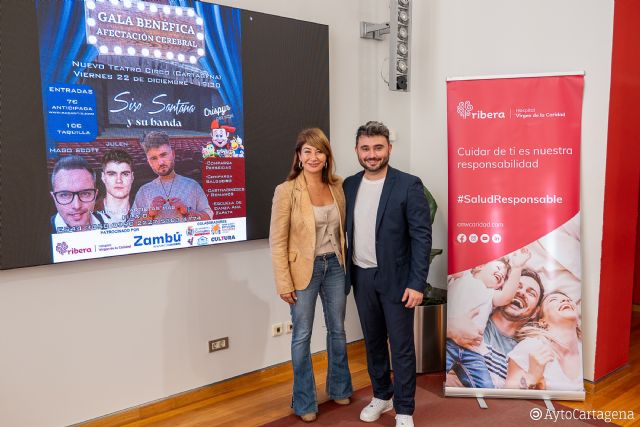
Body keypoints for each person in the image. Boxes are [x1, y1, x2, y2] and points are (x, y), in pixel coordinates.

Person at [343, 121, 431, 427]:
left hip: (397, 280)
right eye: (365, 148)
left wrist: (417, 283)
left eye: (378, 147)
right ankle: (382, 395)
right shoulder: (350, 185)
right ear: (357, 150)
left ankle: (404, 409)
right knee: (374, 342)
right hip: (361, 277)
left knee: (402, 346)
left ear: (389, 149)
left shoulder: (408, 184)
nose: (372, 154)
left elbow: (422, 237)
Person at [269, 128, 353, 422]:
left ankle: (340, 386)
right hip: (303, 271)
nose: (314, 157)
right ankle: (305, 401)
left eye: (319, 151)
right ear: (299, 157)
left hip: (335, 267)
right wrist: (283, 282)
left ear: (327, 156)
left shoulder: (338, 186)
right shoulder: (286, 191)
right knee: (301, 336)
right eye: (308, 151)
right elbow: (277, 241)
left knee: (338, 331)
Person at [446, 249, 531, 388]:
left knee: (487, 387)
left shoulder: (491, 295)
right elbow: (457, 262)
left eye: (503, 277)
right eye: (498, 267)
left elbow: (507, 297)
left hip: (473, 351)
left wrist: (517, 267)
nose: (501, 274)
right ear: (479, 266)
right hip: (449, 342)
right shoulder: (464, 276)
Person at [505, 291, 583, 391]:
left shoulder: (588, 353)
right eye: (553, 300)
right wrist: (531, 377)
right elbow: (508, 398)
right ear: (542, 322)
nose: (565, 300)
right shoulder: (531, 347)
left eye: (569, 300)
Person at [132, 131, 212, 223]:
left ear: (173, 154)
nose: (160, 162)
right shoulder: (143, 191)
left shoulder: (193, 186)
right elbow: (132, 225)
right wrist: (149, 214)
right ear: (149, 162)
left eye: (163, 155)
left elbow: (208, 219)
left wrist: (187, 211)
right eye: (154, 158)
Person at [50, 155, 104, 232]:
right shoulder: (37, 233)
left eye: (85, 194)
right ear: (54, 198)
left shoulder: (111, 222)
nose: (77, 206)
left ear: (95, 195)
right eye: (65, 195)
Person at [95, 149, 134, 226]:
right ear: (103, 177)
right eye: (112, 174)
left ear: (132, 177)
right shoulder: (89, 212)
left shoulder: (144, 208)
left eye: (125, 174)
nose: (119, 180)